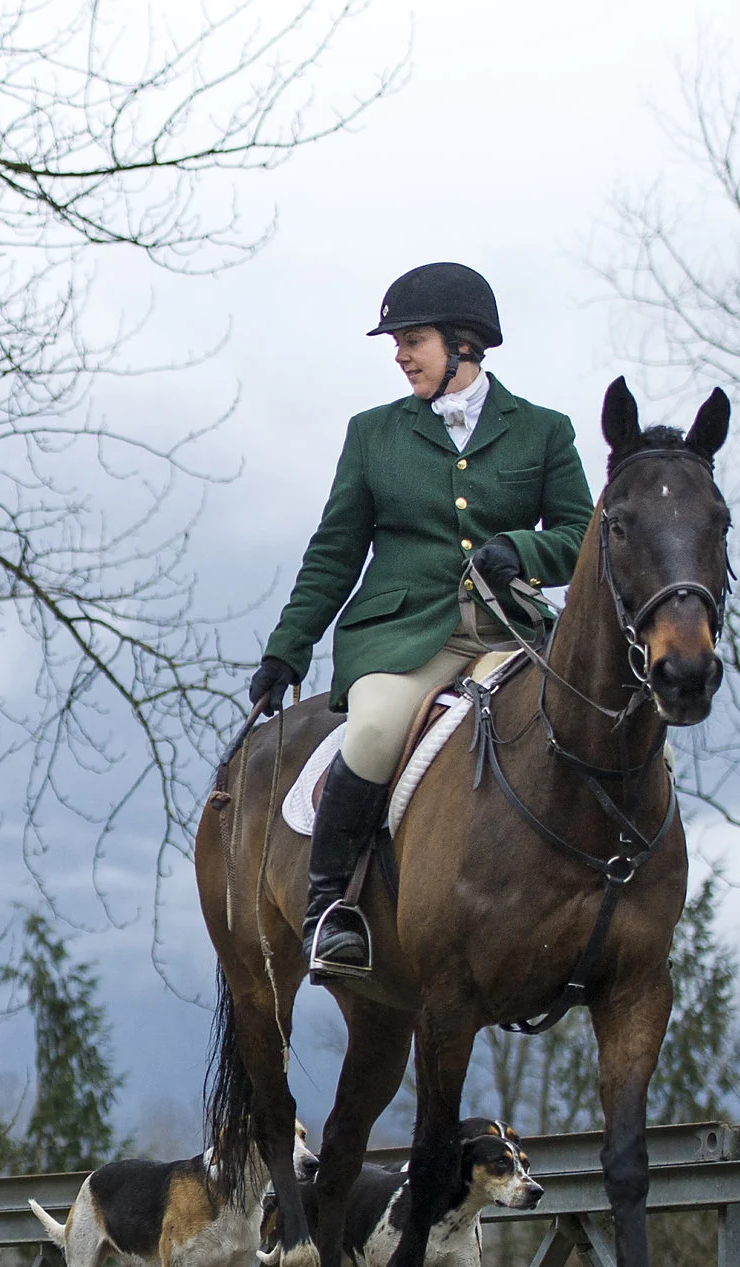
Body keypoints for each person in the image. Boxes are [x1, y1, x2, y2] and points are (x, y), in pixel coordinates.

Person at [248, 262, 595, 980]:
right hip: (403, 636)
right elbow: (335, 552)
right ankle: (331, 910)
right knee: (373, 731)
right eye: (398, 342)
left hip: (509, 634)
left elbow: (581, 537)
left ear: (465, 344)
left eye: (414, 339)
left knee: (587, 716)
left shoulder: (544, 432)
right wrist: (289, 648)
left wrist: (521, 548)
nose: (400, 354)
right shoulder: (374, 434)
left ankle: (601, 891)